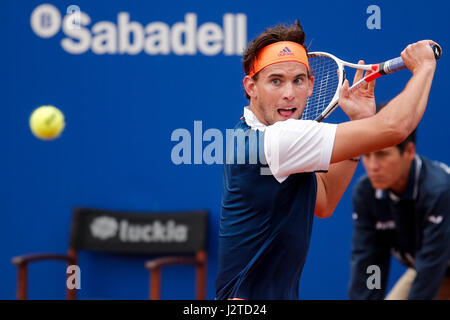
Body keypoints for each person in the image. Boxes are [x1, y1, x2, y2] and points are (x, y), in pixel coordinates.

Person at [215, 20, 439, 300]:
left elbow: (324, 200)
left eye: (298, 80)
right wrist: (425, 68)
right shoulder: (278, 140)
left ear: (311, 85)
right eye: (276, 81)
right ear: (251, 86)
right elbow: (395, 128)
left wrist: (359, 119)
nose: (289, 93)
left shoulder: (251, 136)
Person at [348, 106, 450, 300]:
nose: (372, 166)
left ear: (409, 152)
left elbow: (431, 268)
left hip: (432, 271)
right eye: (366, 155)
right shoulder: (366, 193)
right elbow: (371, 263)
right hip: (431, 271)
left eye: (382, 155)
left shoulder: (439, 190)